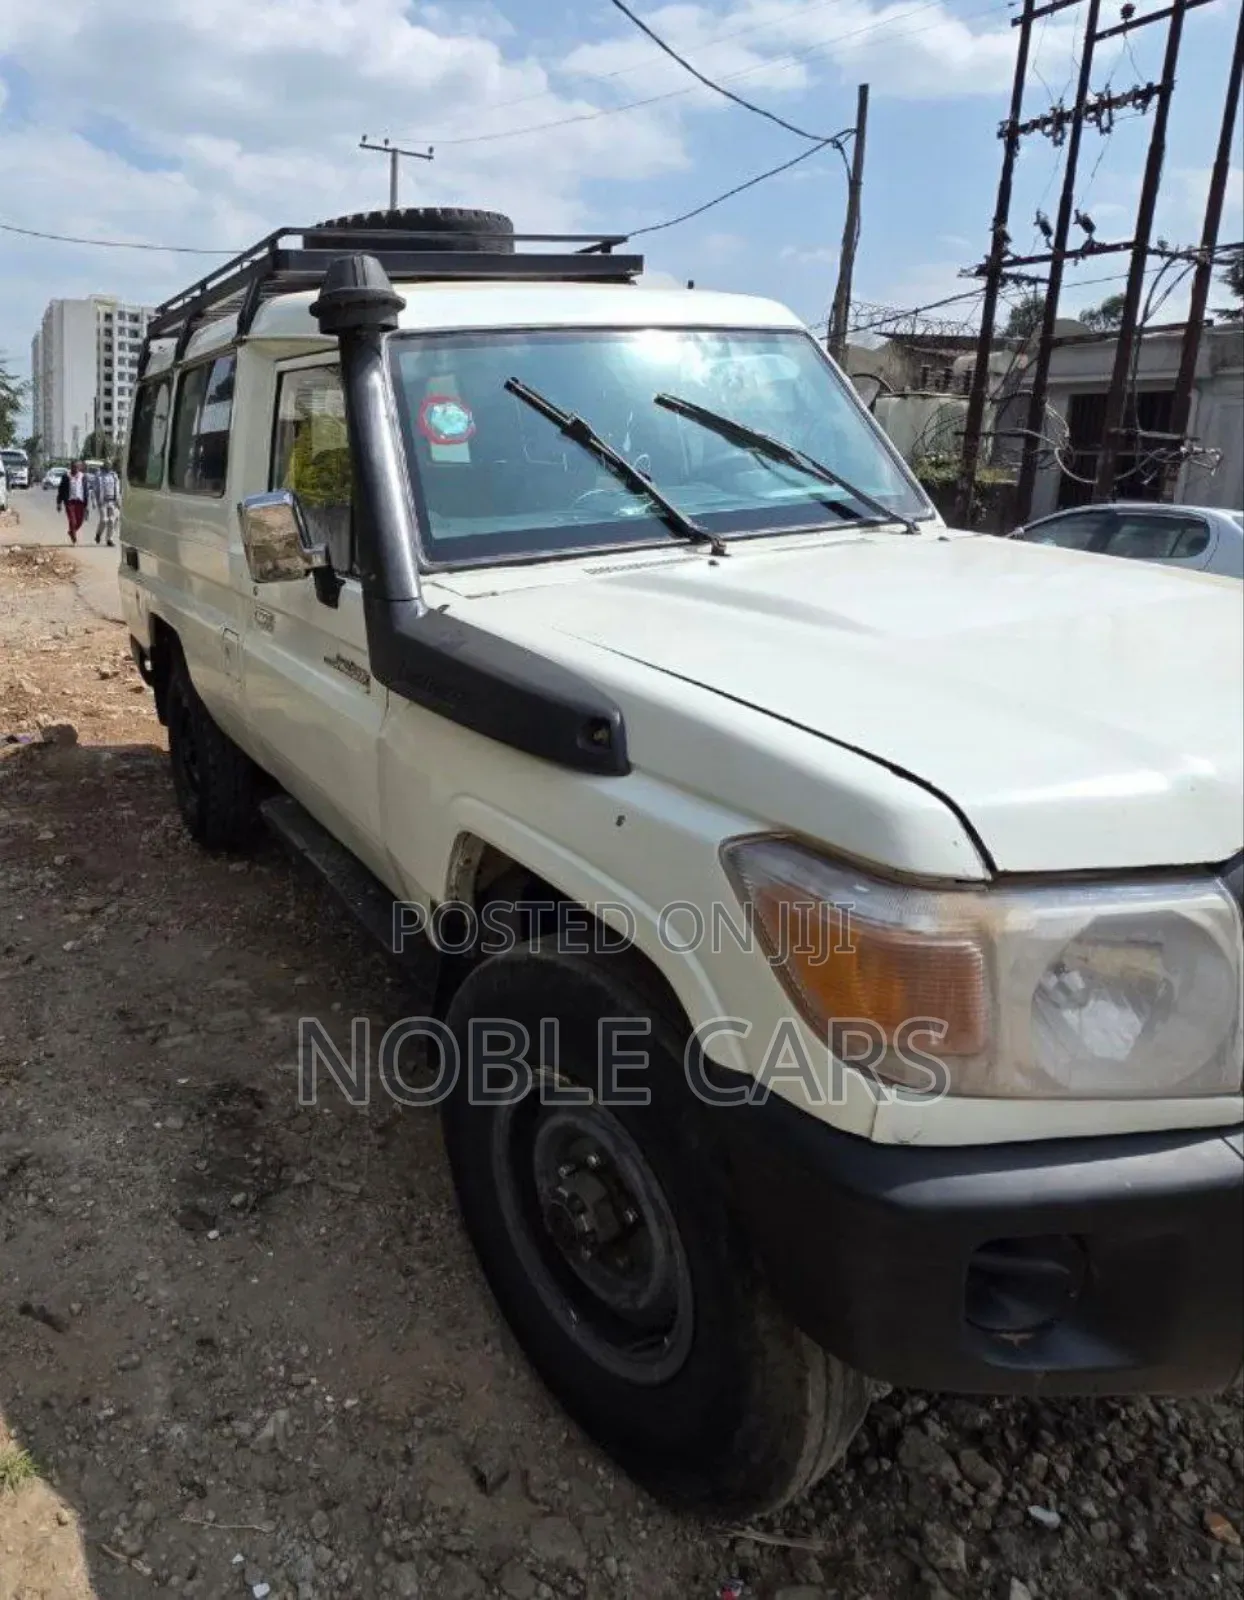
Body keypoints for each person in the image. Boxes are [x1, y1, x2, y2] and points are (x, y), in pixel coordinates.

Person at [57, 461, 89, 543]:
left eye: (77, 467)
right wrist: (59, 503)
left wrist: (86, 505)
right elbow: (61, 490)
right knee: (72, 520)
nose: (75, 468)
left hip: (80, 502)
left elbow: (86, 490)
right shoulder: (66, 476)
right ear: (71, 467)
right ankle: (74, 536)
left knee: (80, 521)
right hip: (69, 502)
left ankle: (71, 531)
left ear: (79, 468)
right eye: (73, 467)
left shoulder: (83, 476)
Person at [94, 460, 122, 547]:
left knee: (112, 521)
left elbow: (117, 488)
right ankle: (98, 534)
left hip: (112, 501)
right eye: (107, 464)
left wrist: (118, 501)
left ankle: (109, 539)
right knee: (104, 520)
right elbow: (95, 489)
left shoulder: (114, 475)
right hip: (103, 501)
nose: (108, 466)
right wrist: (95, 500)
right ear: (104, 465)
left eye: (110, 464)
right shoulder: (99, 475)